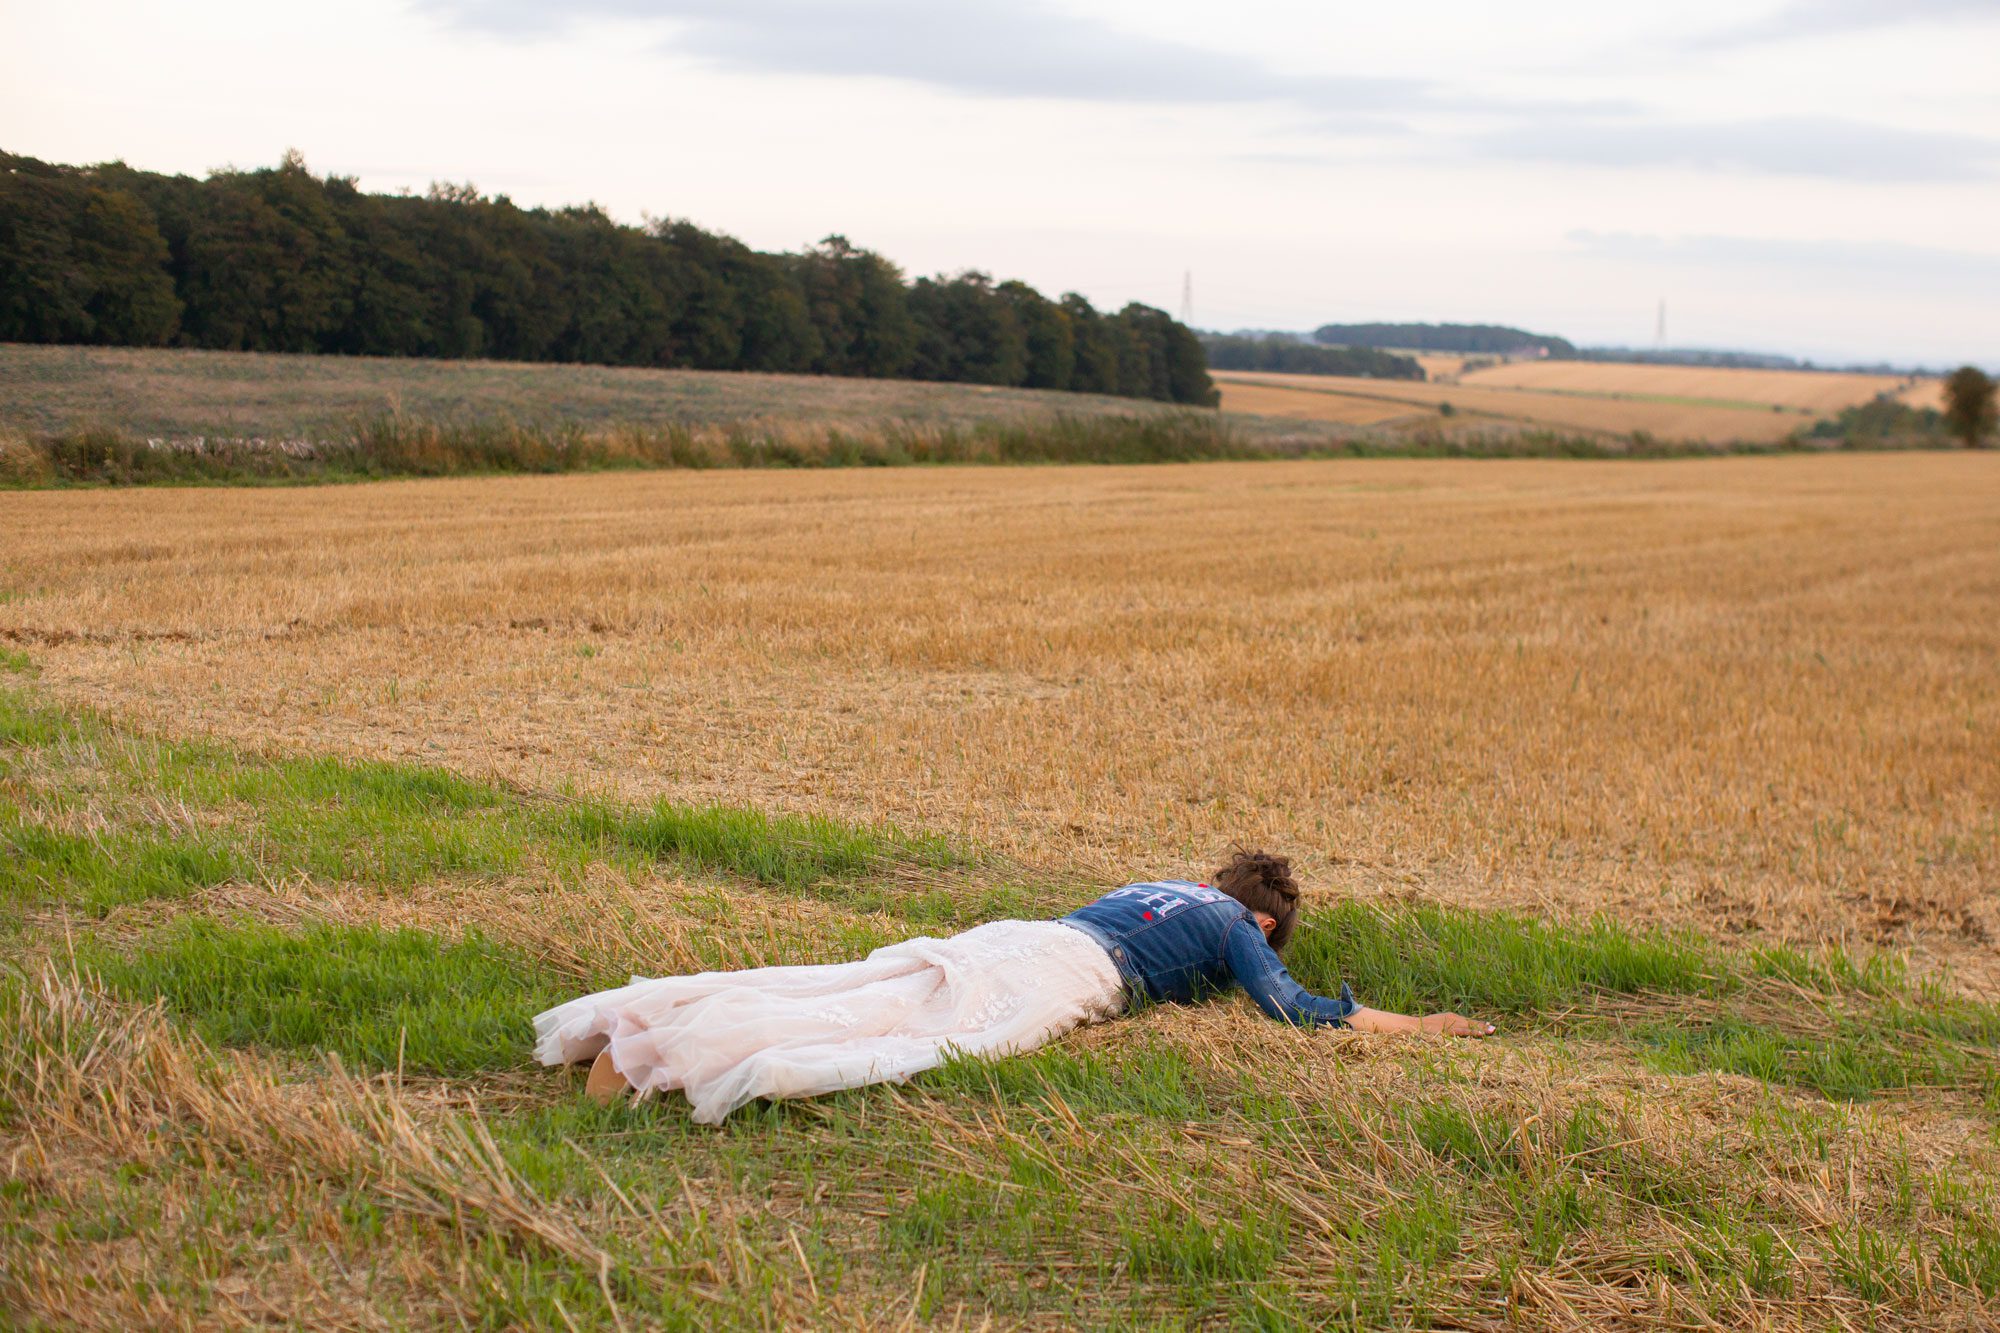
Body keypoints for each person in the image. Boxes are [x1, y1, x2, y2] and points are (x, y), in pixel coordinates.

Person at [533, 850, 1494, 1123]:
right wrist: (1427, 1023)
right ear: (1268, 920)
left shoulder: (1166, 887)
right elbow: (1290, 1006)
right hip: (1071, 969)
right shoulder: (1242, 926)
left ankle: (649, 1018)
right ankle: (656, 1056)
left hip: (1029, 931)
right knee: (919, 1037)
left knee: (870, 983)